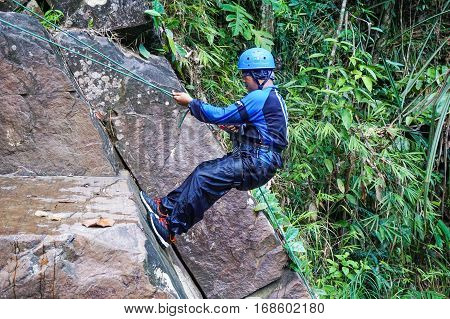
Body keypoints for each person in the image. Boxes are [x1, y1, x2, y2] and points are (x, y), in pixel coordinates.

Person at [140, 48, 288, 248]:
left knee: (204, 179)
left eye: (246, 76)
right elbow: (266, 133)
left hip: (256, 162)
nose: (245, 81)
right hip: (258, 161)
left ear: (258, 75)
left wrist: (191, 103)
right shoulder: (274, 98)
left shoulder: (260, 97)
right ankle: (165, 208)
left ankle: (170, 229)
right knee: (203, 172)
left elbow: (219, 115)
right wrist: (239, 128)